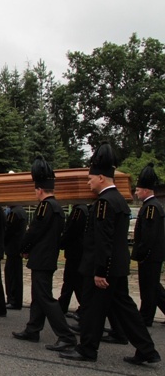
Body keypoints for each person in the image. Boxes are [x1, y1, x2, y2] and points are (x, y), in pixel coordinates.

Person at [59, 143, 161, 365]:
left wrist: (99, 271)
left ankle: (87, 349)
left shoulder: (104, 203)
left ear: (101, 178)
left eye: (90, 178)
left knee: (92, 309)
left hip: (103, 268)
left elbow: (103, 240)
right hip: (117, 266)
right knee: (125, 310)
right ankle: (147, 349)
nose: (88, 182)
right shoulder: (118, 200)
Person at [12, 156, 77, 352]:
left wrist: (23, 248)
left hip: (41, 258)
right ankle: (33, 329)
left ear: (39, 189)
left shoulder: (45, 207)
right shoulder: (58, 208)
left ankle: (66, 336)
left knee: (45, 297)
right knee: (38, 295)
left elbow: (34, 232)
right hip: (48, 257)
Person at [131, 163, 165, 327]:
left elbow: (149, 235)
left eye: (137, 190)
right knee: (154, 287)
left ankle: (146, 317)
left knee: (148, 288)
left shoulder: (151, 207)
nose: (136, 193)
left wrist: (141, 253)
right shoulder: (152, 206)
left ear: (145, 190)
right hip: (153, 254)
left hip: (150, 255)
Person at [57, 203, 88, 319]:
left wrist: (61, 243)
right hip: (77, 252)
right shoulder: (83, 209)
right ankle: (62, 306)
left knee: (76, 282)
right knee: (69, 281)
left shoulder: (79, 210)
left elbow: (71, 231)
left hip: (76, 252)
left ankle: (85, 309)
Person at [4, 205, 27, 310]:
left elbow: (8, 230)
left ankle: (13, 300)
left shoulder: (14, 213)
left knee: (12, 275)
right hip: (17, 247)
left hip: (13, 248)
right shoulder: (20, 211)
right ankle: (14, 300)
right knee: (14, 275)